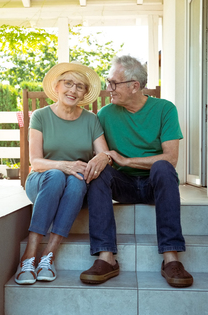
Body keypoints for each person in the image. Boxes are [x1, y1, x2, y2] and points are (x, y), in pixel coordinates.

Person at [79, 55, 193, 288]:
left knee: (163, 167)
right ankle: (106, 257)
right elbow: (99, 152)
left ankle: (171, 258)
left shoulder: (164, 109)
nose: (108, 88)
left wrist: (127, 160)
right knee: (100, 171)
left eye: (113, 83)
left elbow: (171, 158)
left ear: (134, 86)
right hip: (123, 185)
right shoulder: (105, 114)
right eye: (108, 82)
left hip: (155, 184)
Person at [14, 62, 113, 285]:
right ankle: (29, 255)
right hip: (42, 182)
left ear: (85, 93)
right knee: (59, 175)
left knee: (77, 181)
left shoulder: (91, 120)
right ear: (57, 86)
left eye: (80, 86)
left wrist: (101, 158)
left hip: (75, 188)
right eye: (68, 83)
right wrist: (63, 165)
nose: (73, 90)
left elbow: (104, 155)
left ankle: (48, 255)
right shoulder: (40, 116)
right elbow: (36, 162)